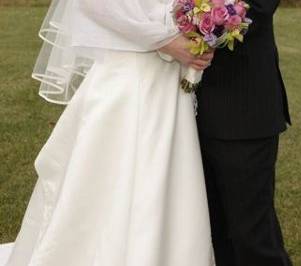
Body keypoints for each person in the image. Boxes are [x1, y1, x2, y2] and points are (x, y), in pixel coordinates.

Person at [6, 0, 215, 265]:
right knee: (108, 171)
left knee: (168, 173)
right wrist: (165, 41)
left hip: (168, 81)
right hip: (127, 78)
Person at [196, 0, 293, 265]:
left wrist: (186, 25)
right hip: (180, 113)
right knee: (210, 234)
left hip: (242, 108)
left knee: (251, 236)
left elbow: (256, 9)